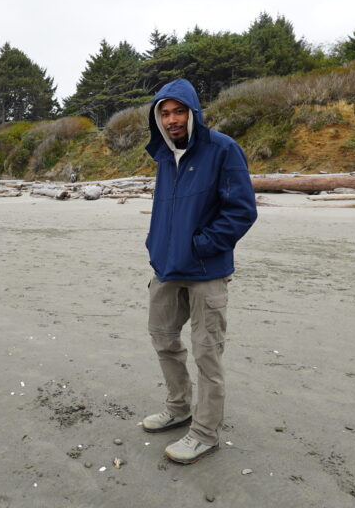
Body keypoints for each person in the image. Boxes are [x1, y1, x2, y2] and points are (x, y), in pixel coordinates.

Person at [141, 78, 258, 464]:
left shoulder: (222, 149)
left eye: (178, 111)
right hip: (166, 267)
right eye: (165, 113)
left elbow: (242, 210)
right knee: (163, 339)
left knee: (207, 352)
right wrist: (155, 245)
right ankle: (179, 407)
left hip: (206, 271)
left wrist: (201, 245)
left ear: (193, 112)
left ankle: (205, 432)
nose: (172, 120)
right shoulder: (163, 155)